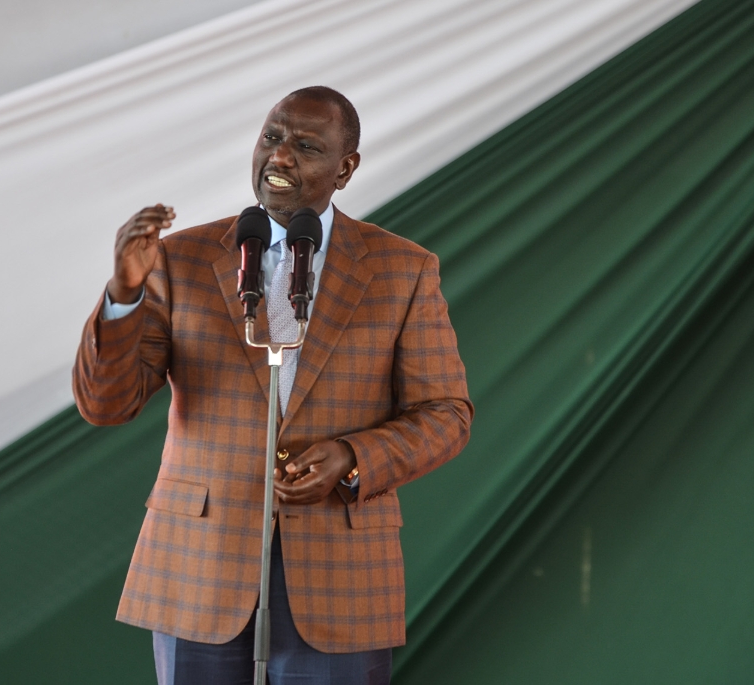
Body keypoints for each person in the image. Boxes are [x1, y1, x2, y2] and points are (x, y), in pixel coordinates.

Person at [73, 86, 472, 685]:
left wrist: (353, 457)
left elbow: (445, 414)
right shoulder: (181, 260)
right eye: (272, 137)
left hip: (339, 575)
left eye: (306, 146)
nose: (280, 157)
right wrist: (124, 296)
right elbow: (106, 405)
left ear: (346, 168)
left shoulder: (402, 269)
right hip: (199, 568)